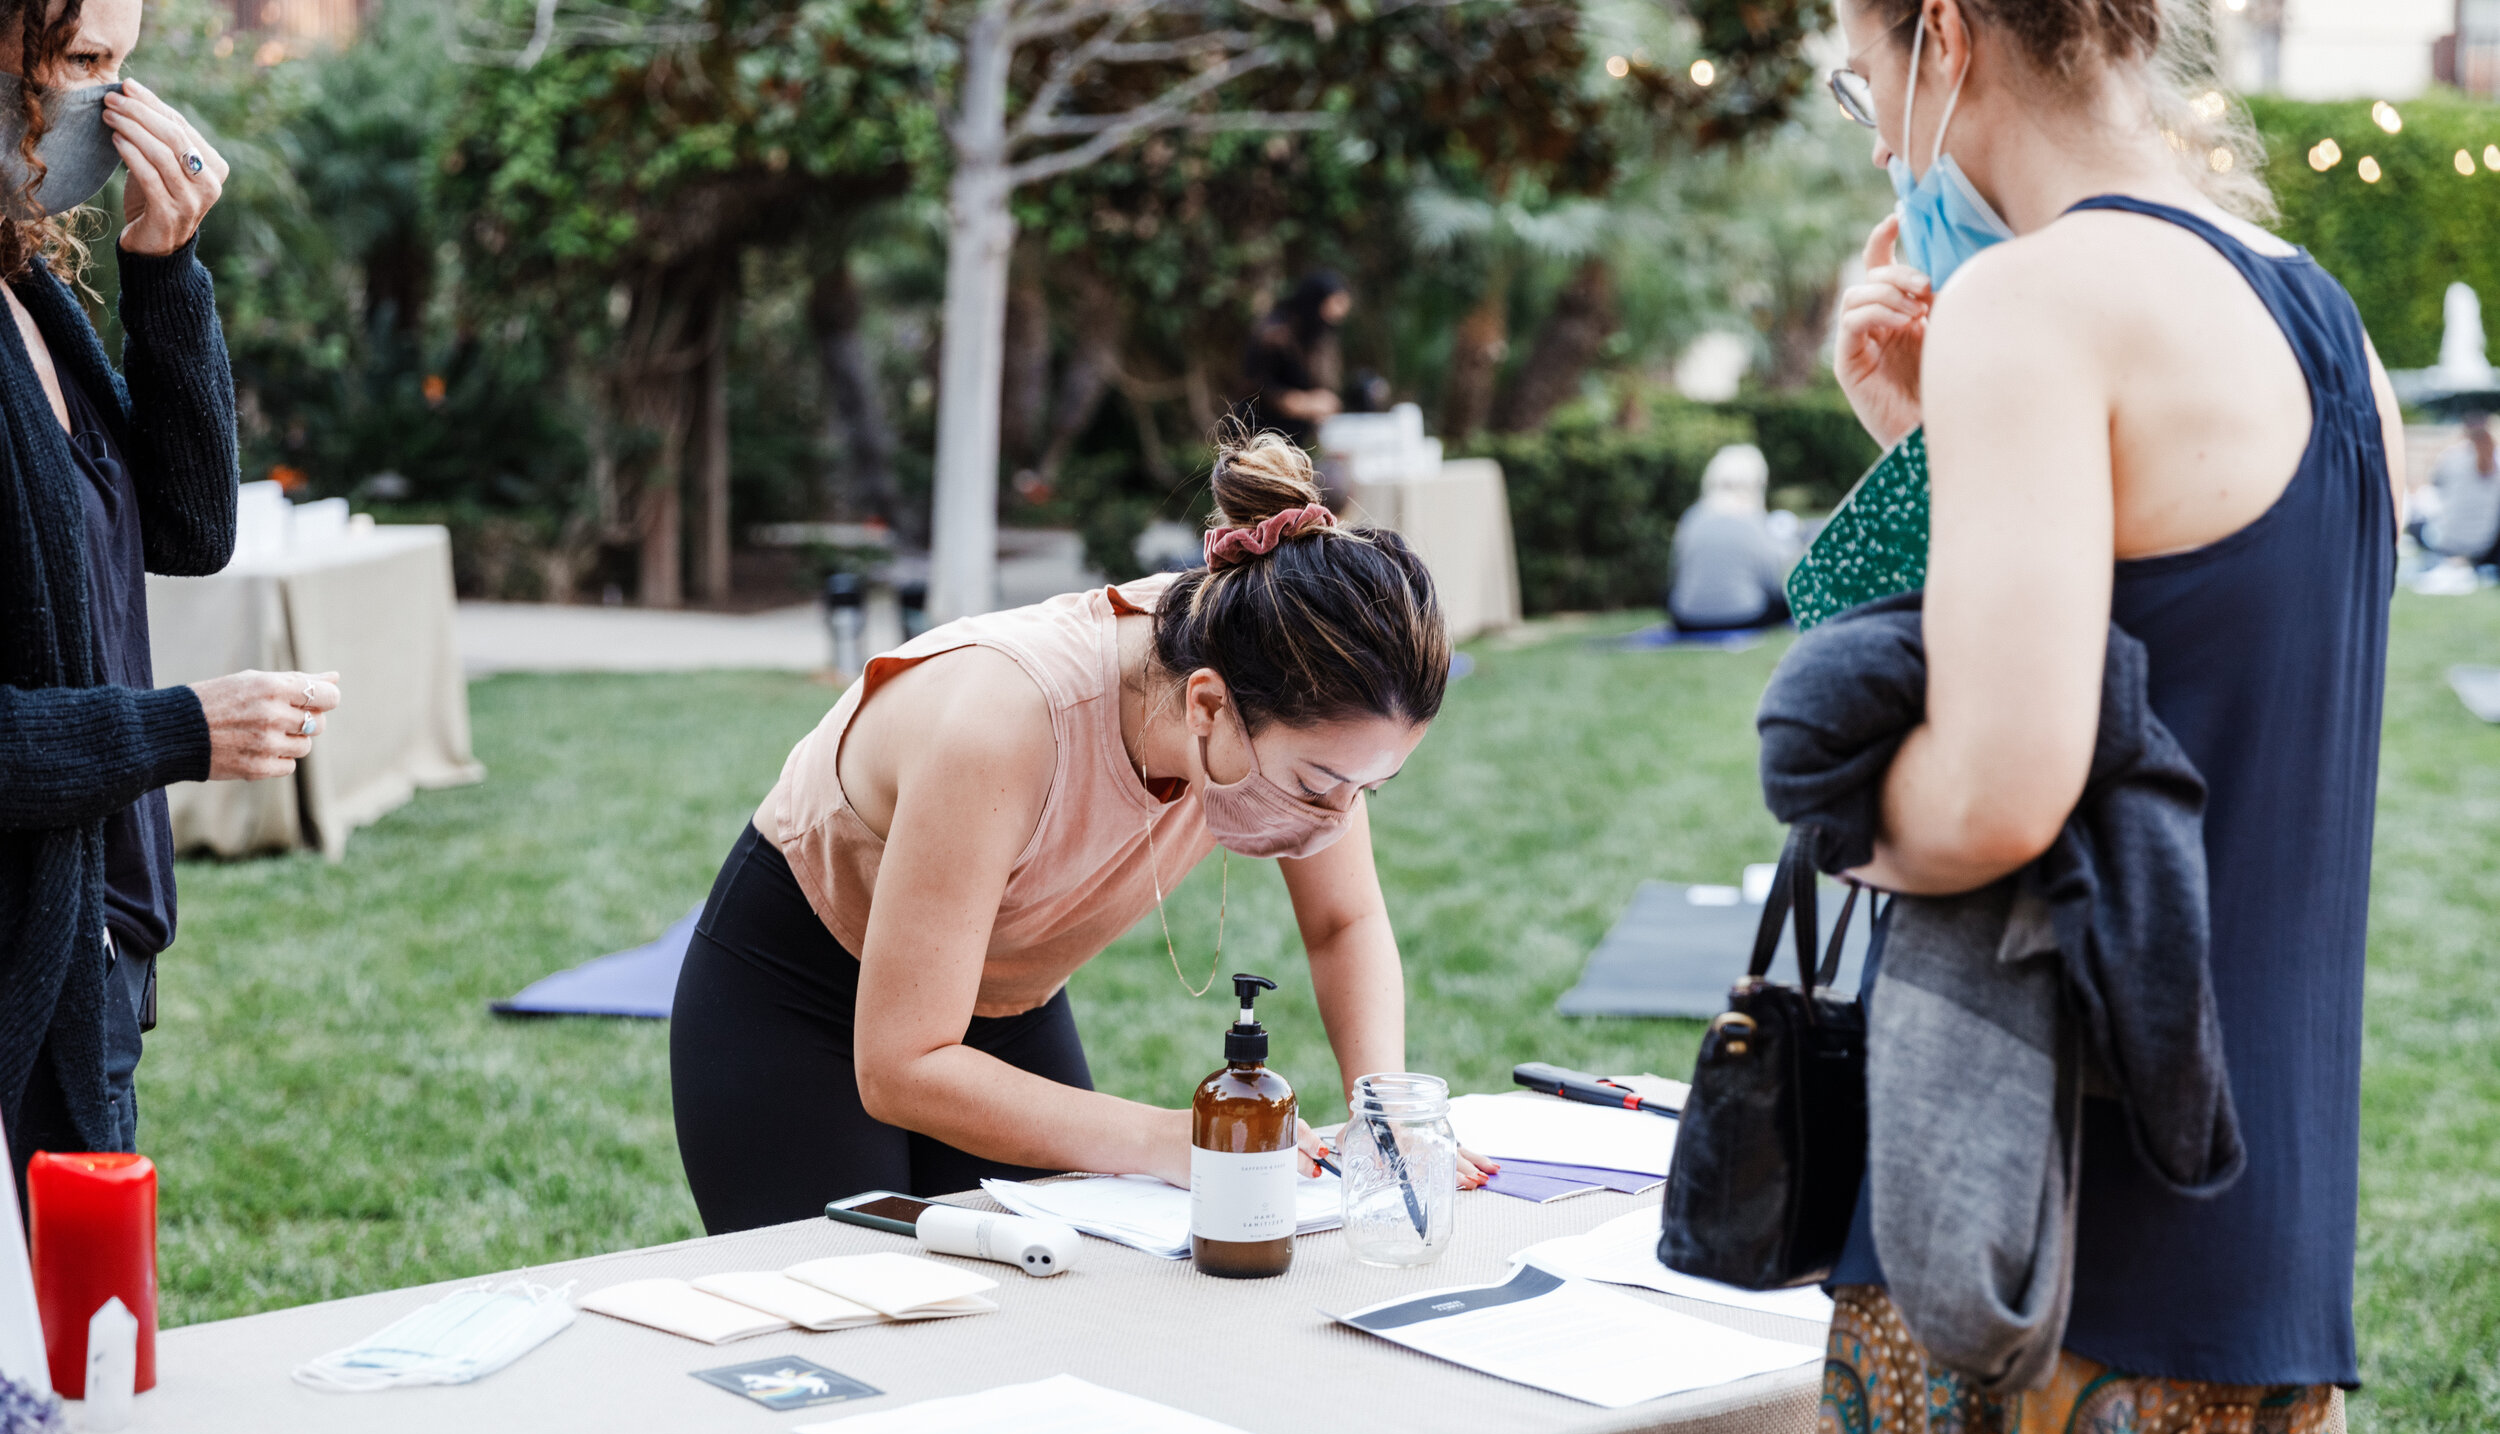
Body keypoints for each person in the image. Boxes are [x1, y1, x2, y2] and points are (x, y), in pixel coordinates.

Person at [1795, 0, 2402, 1434]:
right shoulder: (2316, 311)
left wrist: (1836, 808)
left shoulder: (2035, 301)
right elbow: (2191, 671)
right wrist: (1928, 444)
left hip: (2038, 1212)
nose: (1872, 123)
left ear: (1942, 34)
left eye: (1859, 71)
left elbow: (1998, 791)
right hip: (2256, 1222)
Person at [671, 428, 1491, 1233]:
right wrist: (1164, 1138)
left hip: (1006, 989)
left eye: (1367, 788)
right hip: (801, 984)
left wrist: (1385, 1112)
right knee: (854, 1298)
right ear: (1207, 704)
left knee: (1049, 1285)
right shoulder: (1004, 725)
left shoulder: (1281, 678)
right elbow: (902, 1066)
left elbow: (1344, 920)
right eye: (1316, 784)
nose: (1337, 818)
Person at [0, 0, 341, 1194]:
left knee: (88, 1308)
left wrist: (165, 268)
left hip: (92, 943)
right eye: (84, 61)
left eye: (129, 66)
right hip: (23, 969)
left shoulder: (26, 288)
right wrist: (180, 729)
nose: (117, 108)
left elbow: (192, 528)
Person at [1665, 444, 1792, 632]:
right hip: (1744, 616)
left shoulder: (1692, 516)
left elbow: (1676, 573)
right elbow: (1771, 580)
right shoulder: (1753, 518)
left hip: (1687, 619)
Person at [1238, 272, 1350, 448]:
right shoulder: (1275, 334)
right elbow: (1256, 387)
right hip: (1260, 436)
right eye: (1334, 305)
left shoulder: (1317, 336)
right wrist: (1303, 403)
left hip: (1294, 439)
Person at [2422, 411, 2500, 569]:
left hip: (2448, 541)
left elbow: (2433, 485)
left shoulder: (2452, 456)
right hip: (2486, 544)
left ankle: (2453, 560)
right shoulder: (2496, 459)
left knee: (2420, 521)